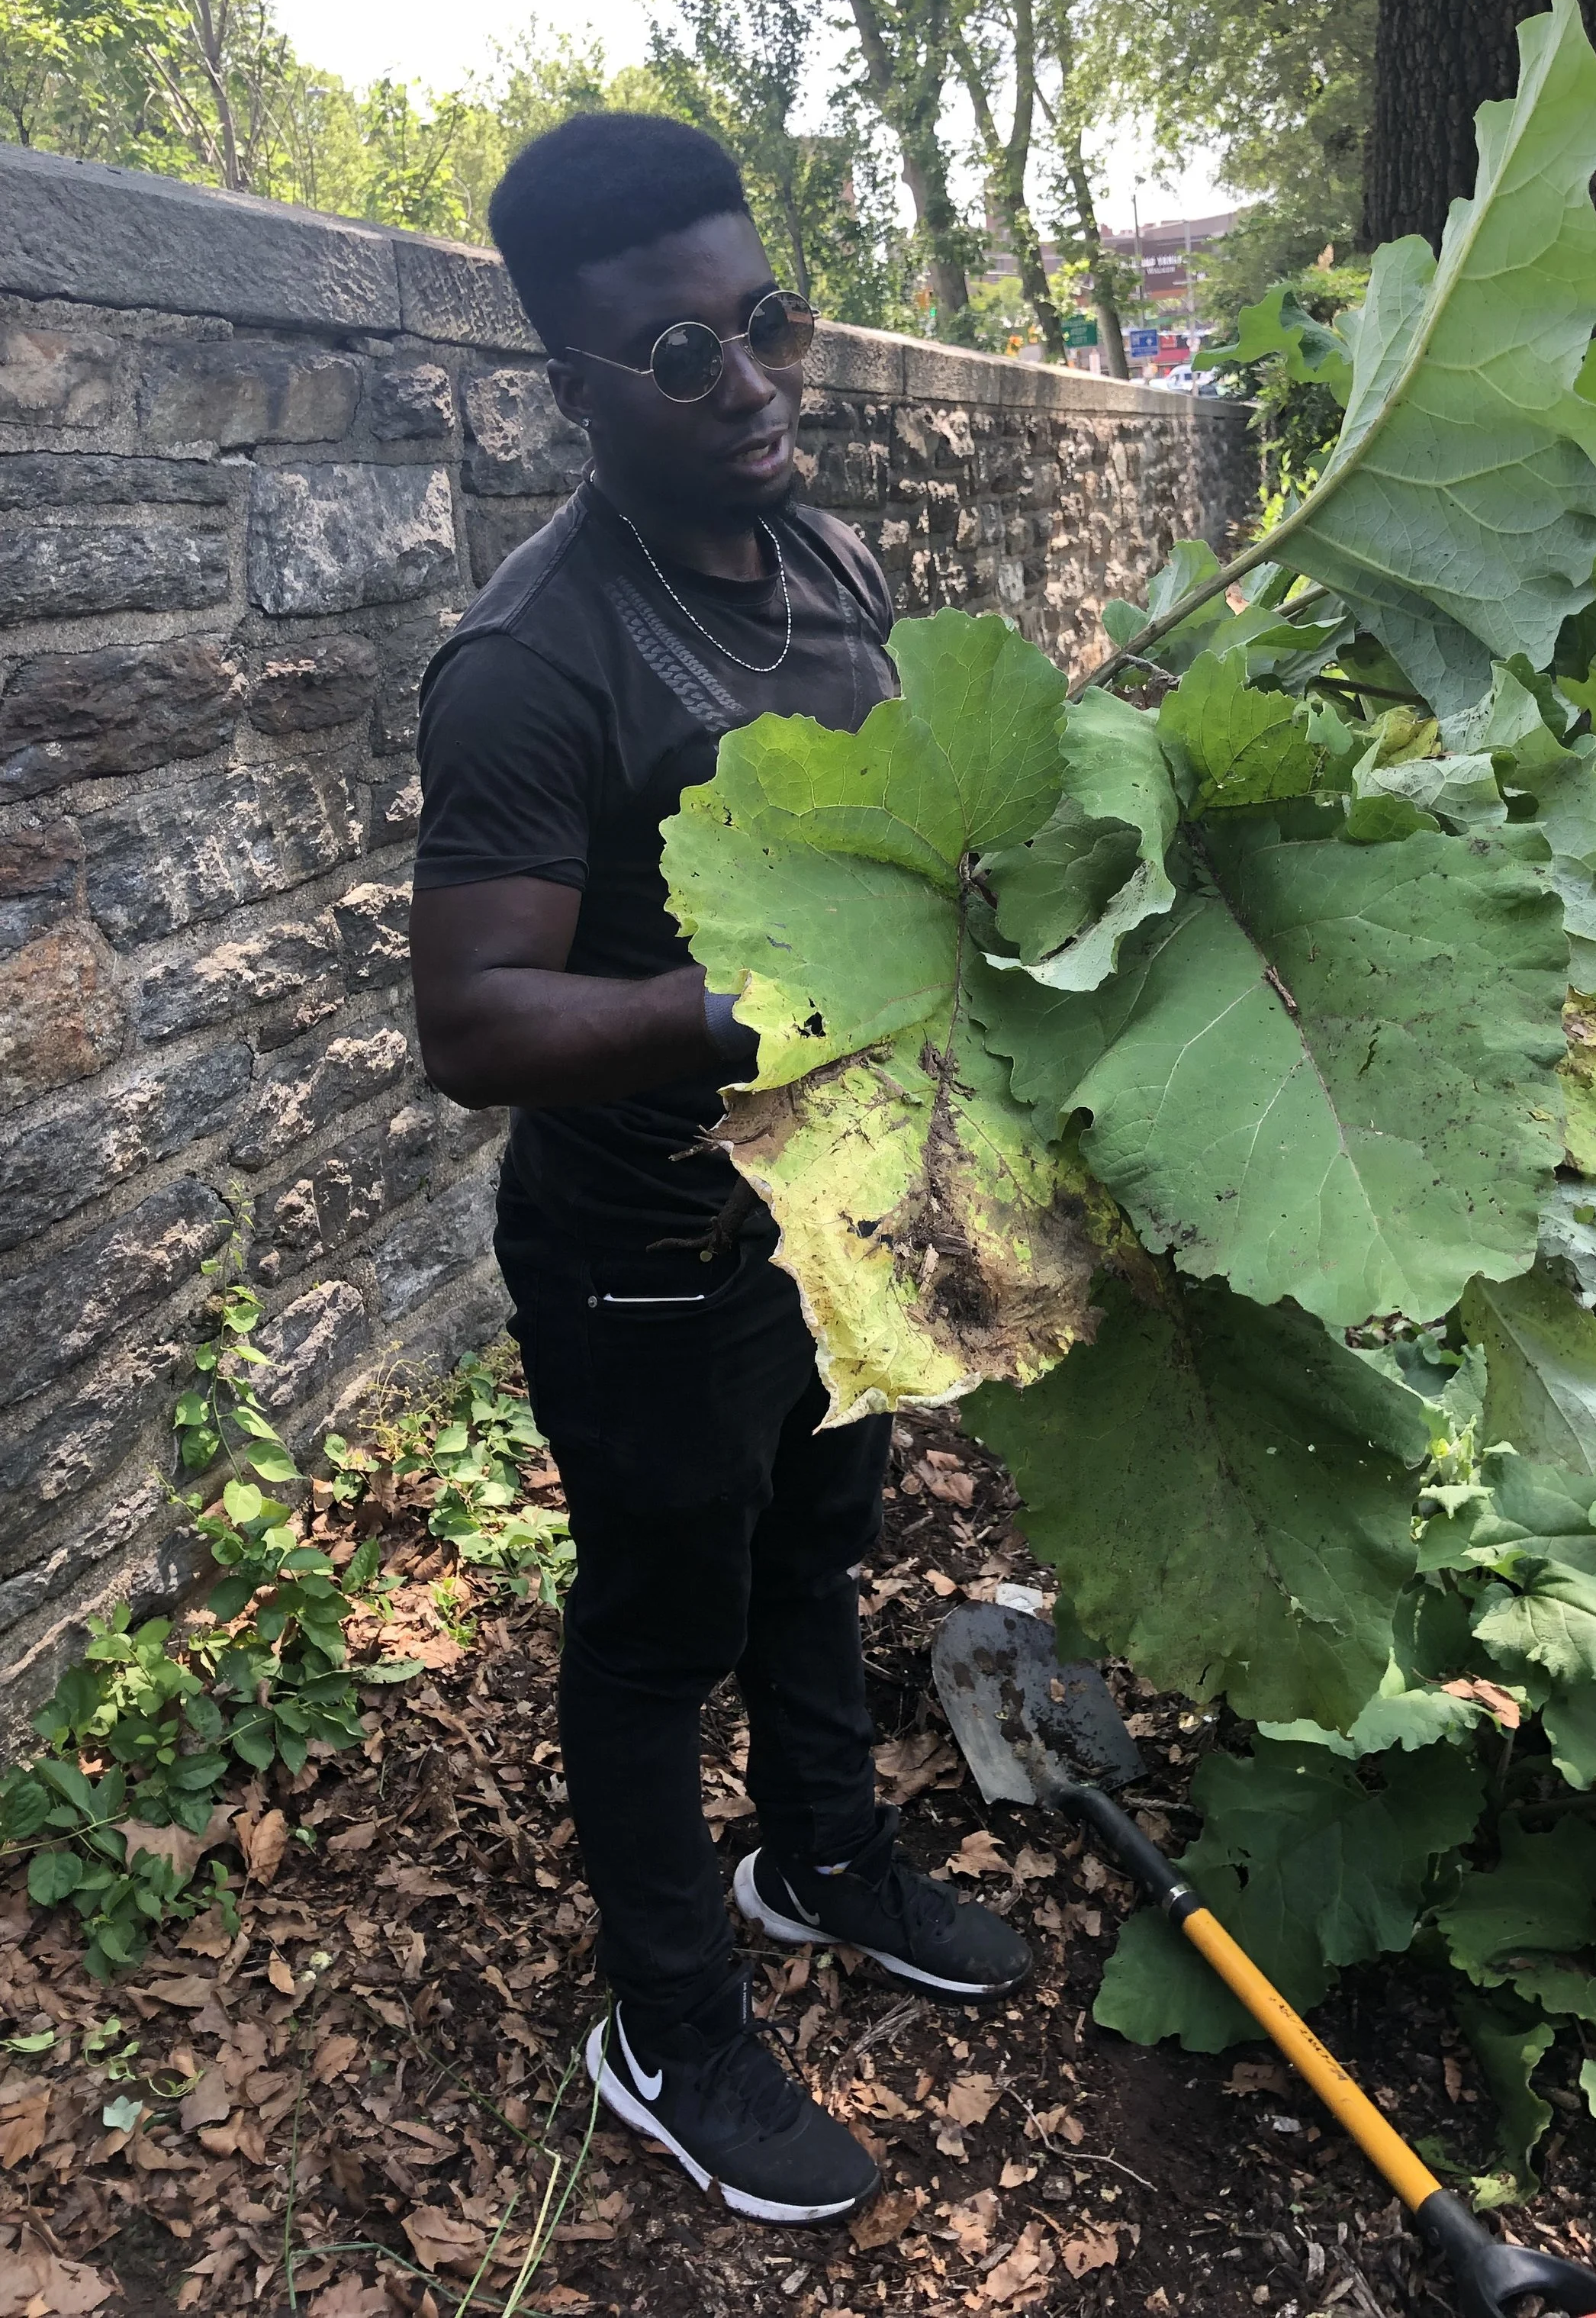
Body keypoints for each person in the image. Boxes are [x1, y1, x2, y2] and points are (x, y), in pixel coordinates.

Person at [407, 111, 1031, 2230]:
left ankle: (822, 1860)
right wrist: (752, 997)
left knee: (819, 1546)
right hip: (648, 1254)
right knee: (657, 1625)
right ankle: (669, 2021)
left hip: (823, 1210)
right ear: (570, 389)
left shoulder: (831, 557)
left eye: (766, 321)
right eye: (679, 358)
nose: (749, 379)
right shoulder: (533, 658)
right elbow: (475, 1018)